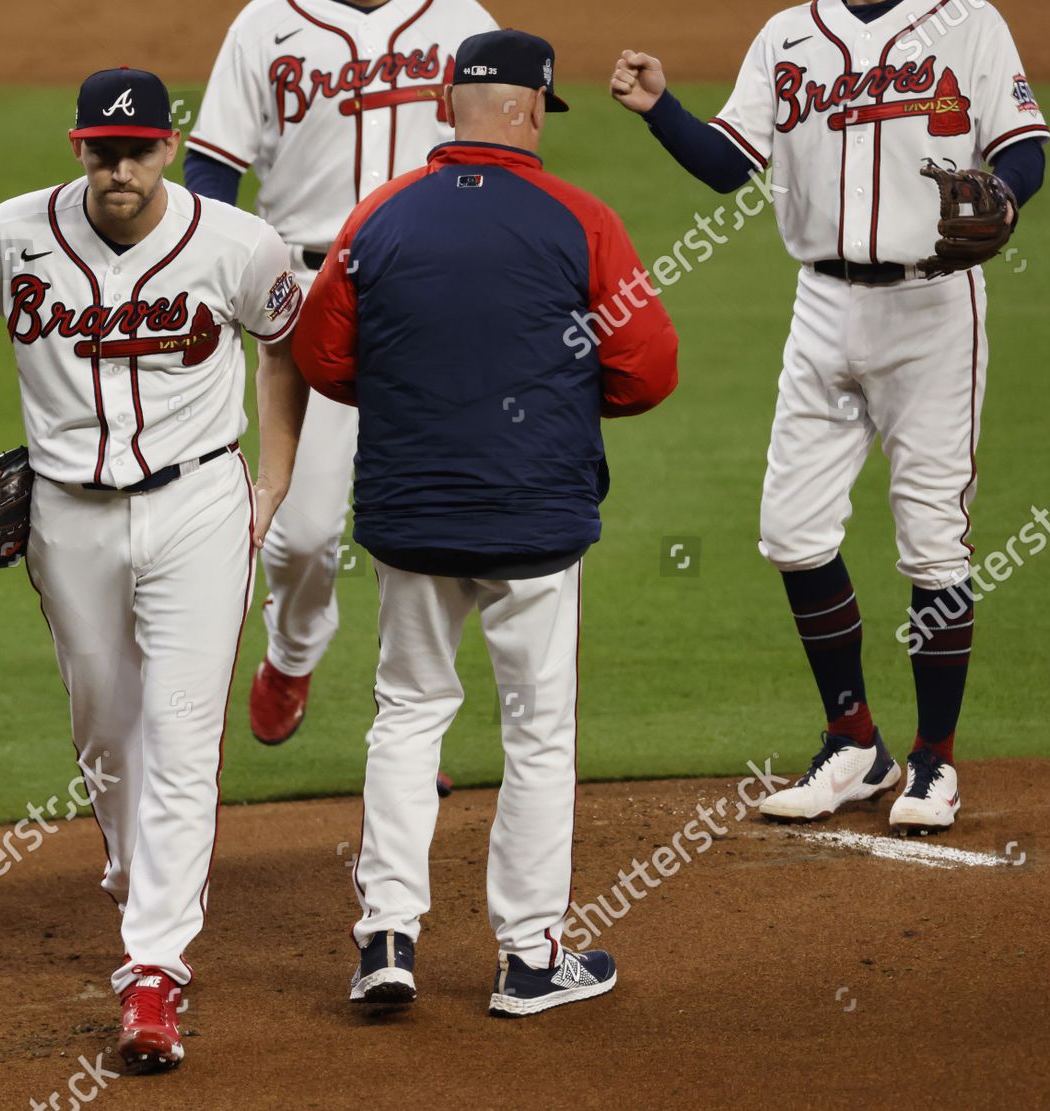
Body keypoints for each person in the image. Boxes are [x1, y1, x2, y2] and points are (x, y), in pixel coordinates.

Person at [0, 67, 310, 1073]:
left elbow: (288, 348)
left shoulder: (237, 243)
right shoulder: (11, 233)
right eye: (100, 151)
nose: (118, 170)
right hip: (65, 517)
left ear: (170, 146)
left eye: (136, 151)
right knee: (107, 732)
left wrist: (274, 485)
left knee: (179, 732)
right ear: (75, 147)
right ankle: (141, 886)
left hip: (199, 507)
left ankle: (155, 972)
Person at [294, 29, 679, 1016]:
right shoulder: (583, 218)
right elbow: (647, 368)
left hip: (409, 519)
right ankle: (528, 959)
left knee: (409, 711)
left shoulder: (377, 216)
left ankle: (387, 937)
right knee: (538, 733)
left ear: (443, 100)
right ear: (538, 107)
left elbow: (321, 357)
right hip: (534, 520)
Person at [611, 0, 1050, 832]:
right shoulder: (789, 33)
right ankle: (856, 743)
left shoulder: (969, 23)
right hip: (821, 306)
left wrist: (1007, 193)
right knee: (791, 530)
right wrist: (661, 109)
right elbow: (725, 163)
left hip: (934, 307)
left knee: (931, 538)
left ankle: (935, 758)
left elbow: (1022, 149)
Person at [186, 0, 498, 749]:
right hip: (302, 294)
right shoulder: (266, 23)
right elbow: (212, 166)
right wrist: (197, 277)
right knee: (298, 535)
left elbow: (501, 155)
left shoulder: (459, 19)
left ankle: (413, 728)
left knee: (433, 527)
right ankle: (292, 652)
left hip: (432, 296)